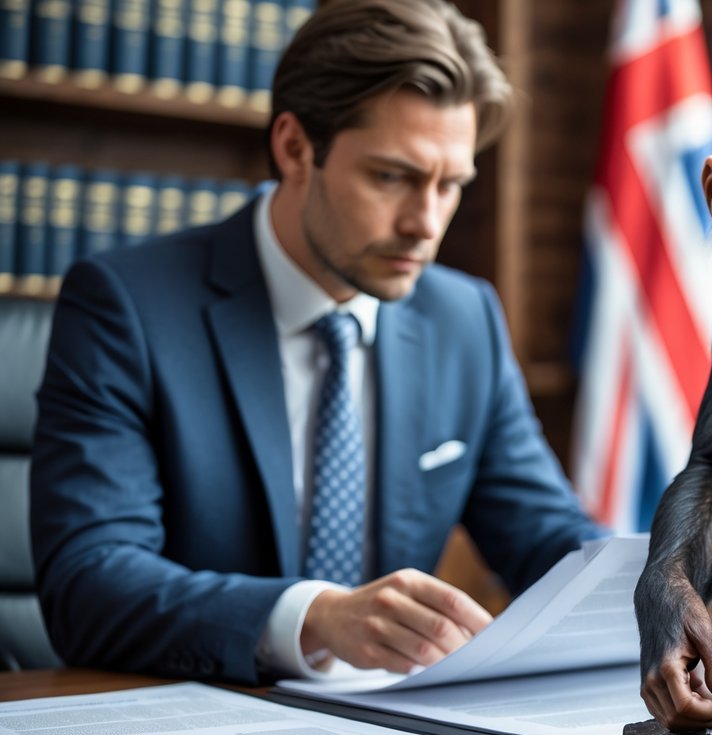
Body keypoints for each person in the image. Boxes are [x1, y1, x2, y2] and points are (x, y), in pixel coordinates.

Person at [30, 0, 604, 684]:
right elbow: (88, 582)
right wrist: (315, 617)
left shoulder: (463, 319)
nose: (426, 222)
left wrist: (664, 592)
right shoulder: (126, 306)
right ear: (294, 148)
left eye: (450, 185)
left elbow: (549, 540)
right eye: (391, 177)